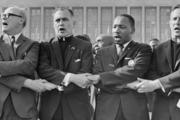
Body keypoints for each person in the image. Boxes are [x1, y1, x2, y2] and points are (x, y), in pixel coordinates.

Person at [87, 14, 152, 120]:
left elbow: (135, 71)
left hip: (134, 111)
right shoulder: (102, 52)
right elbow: (96, 80)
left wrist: (103, 78)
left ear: (132, 30)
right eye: (114, 27)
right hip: (106, 111)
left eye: (122, 27)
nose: (116, 30)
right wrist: (128, 85)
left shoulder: (143, 49)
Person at [0, 6, 57, 120]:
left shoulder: (32, 44)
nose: (3, 17)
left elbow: (28, 66)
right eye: (2, 15)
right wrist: (27, 82)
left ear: (21, 20)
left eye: (8, 15)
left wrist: (3, 69)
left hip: (24, 110)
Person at [37, 8, 93, 120]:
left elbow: (85, 73)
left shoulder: (85, 46)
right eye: (57, 20)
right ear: (53, 24)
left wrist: (60, 82)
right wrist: (70, 77)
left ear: (74, 23)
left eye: (65, 19)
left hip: (77, 107)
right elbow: (44, 70)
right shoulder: (45, 46)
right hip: (50, 108)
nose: (61, 23)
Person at [136, 4, 180, 120]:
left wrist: (158, 84)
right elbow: (150, 73)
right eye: (175, 19)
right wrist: (170, 87)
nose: (177, 22)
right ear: (170, 23)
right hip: (161, 108)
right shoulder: (159, 49)